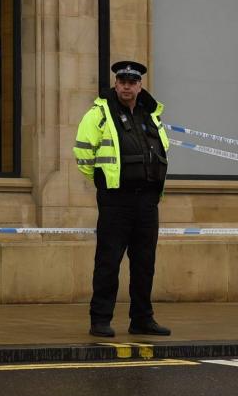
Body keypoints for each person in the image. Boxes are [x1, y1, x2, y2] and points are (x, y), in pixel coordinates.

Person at [73, 60, 171, 338]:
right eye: (122, 82)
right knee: (108, 261)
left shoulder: (150, 114)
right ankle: (100, 319)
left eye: (132, 82)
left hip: (147, 200)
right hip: (116, 198)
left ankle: (142, 319)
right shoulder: (99, 113)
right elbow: (83, 152)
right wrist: (103, 181)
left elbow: (160, 151)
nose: (127, 86)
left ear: (140, 86)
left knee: (144, 263)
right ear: (116, 84)